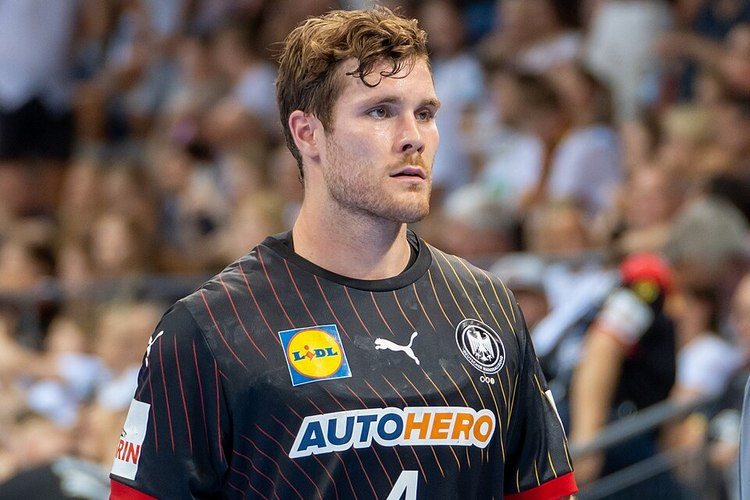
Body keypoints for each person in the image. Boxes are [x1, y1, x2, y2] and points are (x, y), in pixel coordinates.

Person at [109, 7, 578, 499]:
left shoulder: (489, 307)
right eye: (380, 112)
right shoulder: (209, 330)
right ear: (307, 132)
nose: (413, 138)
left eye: (425, 114)